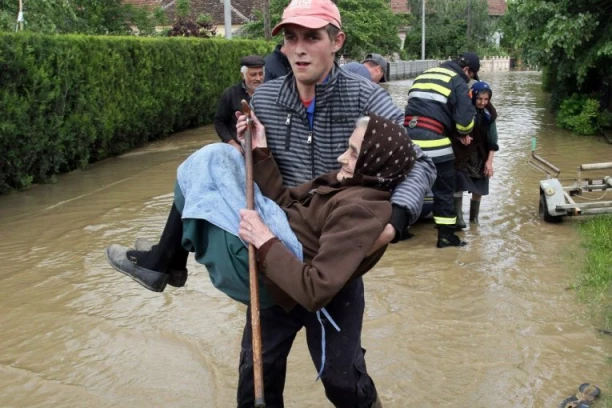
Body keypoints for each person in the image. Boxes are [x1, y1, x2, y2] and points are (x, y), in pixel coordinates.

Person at [106, 114, 417, 407]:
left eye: (352, 152)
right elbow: (285, 205)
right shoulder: (340, 181)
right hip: (280, 269)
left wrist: (264, 239)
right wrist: (261, 150)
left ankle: (164, 262)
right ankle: (164, 260)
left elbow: (315, 288)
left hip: (321, 282)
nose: (342, 158)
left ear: (374, 161)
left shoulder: (362, 207)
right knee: (257, 372)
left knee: (342, 381)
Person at [404, 51, 479, 248]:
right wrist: (464, 131)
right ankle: (446, 238)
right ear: (466, 70)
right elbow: (464, 123)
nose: (469, 80)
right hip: (435, 143)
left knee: (408, 185)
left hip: (408, 143)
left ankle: (400, 230)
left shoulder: (423, 75)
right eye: (471, 76)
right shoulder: (457, 82)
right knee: (444, 189)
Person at [452, 81, 498, 228]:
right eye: (479, 99)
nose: (482, 102)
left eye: (486, 99)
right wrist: (460, 137)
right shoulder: (463, 110)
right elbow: (450, 130)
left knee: (479, 186)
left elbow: (493, 140)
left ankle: (474, 219)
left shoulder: (489, 114)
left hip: (481, 154)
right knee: (457, 184)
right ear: (472, 96)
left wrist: (489, 162)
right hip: (461, 154)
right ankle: (458, 218)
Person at [213, 55, 265, 151]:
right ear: (243, 75)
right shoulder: (230, 94)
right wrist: (232, 143)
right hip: (239, 150)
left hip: (263, 150)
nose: (258, 78)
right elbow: (219, 122)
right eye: (253, 75)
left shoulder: (271, 93)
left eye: (261, 74)